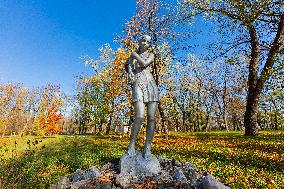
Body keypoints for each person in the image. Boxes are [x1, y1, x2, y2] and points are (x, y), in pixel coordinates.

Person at [125, 35, 159, 159]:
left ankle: (147, 147)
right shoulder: (132, 57)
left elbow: (144, 64)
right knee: (139, 116)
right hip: (138, 84)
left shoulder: (150, 55)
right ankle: (131, 145)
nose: (145, 43)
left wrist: (134, 55)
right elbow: (128, 69)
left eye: (148, 42)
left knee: (151, 118)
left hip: (150, 85)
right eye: (143, 41)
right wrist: (129, 71)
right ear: (139, 42)